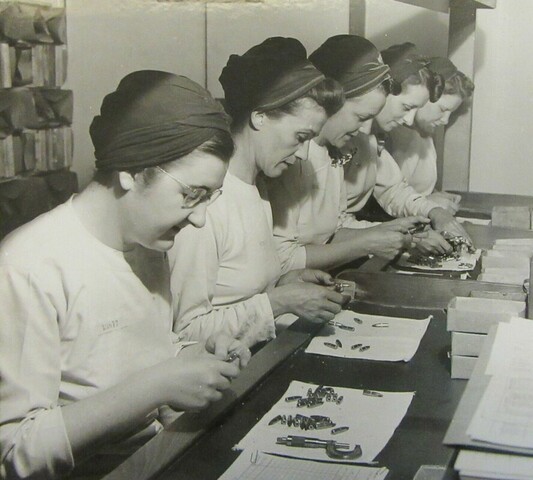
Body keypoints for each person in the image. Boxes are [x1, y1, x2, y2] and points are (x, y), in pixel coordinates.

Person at [0, 71, 251, 479]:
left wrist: (191, 357)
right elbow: (14, 454)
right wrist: (157, 386)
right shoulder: (29, 266)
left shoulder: (147, 240)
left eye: (210, 198)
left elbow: (128, 359)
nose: (202, 219)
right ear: (131, 172)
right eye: (192, 195)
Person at [169, 37, 347, 348]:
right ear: (260, 116)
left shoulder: (258, 187)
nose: (304, 154)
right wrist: (278, 302)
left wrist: (288, 283)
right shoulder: (208, 204)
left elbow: (236, 292)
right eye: (300, 136)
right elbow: (184, 332)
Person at [264, 34, 430, 273]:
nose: (364, 129)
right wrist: (368, 242)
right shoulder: (291, 157)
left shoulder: (333, 150)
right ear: (334, 101)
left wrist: (390, 232)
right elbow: (282, 258)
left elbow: (333, 230)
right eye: (361, 118)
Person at [345, 42, 472, 254]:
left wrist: (434, 210)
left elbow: (394, 190)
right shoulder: (347, 139)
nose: (409, 119)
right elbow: (334, 229)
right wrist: (409, 238)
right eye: (406, 107)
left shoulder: (370, 140)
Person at [388, 56, 474, 212]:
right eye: (443, 110)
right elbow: (387, 199)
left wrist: (436, 196)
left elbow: (413, 188)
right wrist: (428, 202)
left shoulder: (425, 136)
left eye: (451, 113)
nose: (446, 120)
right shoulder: (392, 134)